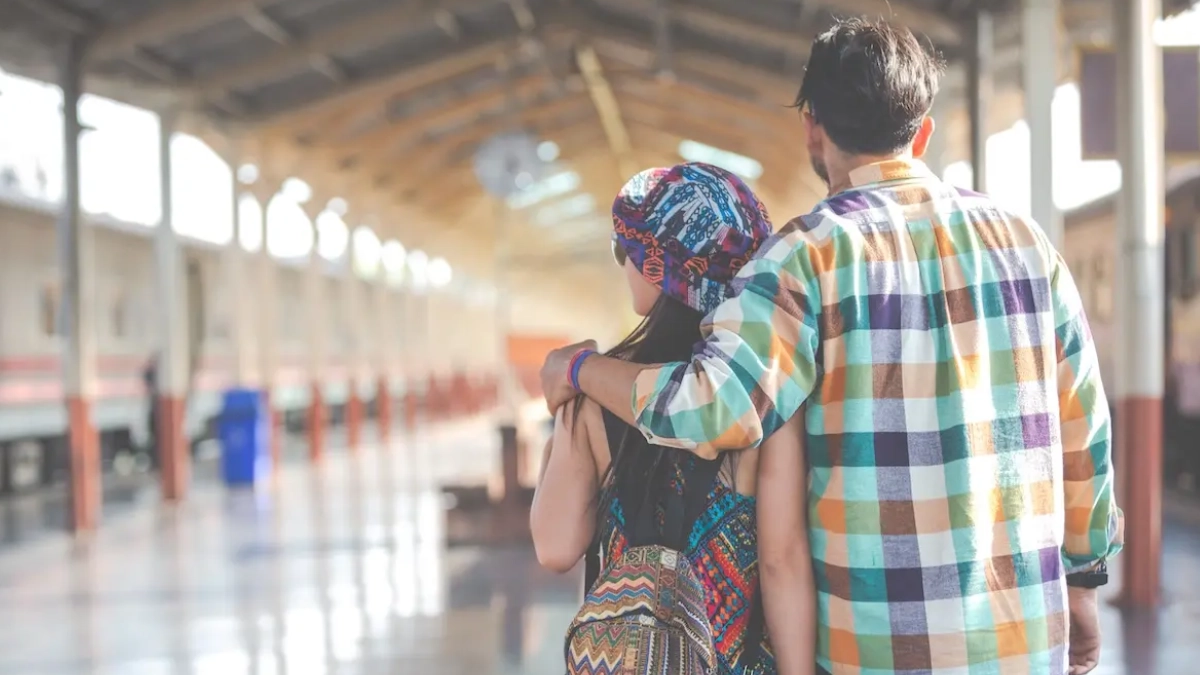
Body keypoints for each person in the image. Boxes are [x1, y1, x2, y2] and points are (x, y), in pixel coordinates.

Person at [540, 18, 1123, 675]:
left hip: (870, 648)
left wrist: (582, 367)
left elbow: (713, 409)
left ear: (812, 128)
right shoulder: (1028, 246)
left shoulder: (805, 256)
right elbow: (1085, 436)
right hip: (1022, 642)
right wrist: (1083, 580)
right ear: (922, 129)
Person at [530, 162, 816, 675]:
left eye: (627, 251)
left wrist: (562, 425)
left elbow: (554, 546)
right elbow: (782, 560)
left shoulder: (593, 391)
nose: (623, 263)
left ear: (656, 265)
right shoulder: (763, 400)